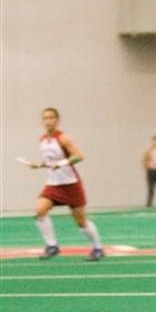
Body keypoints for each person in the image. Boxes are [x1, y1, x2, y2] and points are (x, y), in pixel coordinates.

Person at [26, 107, 104, 261]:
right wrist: (39, 165)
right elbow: (50, 161)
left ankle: (98, 248)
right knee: (40, 211)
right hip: (52, 184)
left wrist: (62, 163)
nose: (48, 121)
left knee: (81, 222)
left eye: (51, 118)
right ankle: (52, 246)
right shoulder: (42, 140)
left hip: (70, 184)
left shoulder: (62, 138)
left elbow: (79, 156)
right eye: (45, 118)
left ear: (57, 120)